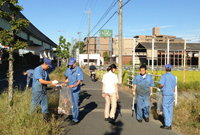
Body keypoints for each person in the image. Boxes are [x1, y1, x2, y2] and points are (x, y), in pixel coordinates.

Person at [64, 58, 83, 125]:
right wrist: (63, 83)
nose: (71, 66)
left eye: (72, 64)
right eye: (70, 64)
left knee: (75, 104)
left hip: (75, 90)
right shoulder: (68, 69)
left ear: (75, 63)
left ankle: (75, 119)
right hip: (69, 89)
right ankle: (71, 116)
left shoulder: (79, 70)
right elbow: (67, 79)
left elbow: (79, 81)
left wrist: (74, 86)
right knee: (69, 103)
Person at [159, 64, 176, 130]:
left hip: (166, 94)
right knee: (170, 108)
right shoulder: (173, 77)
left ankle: (167, 124)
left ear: (165, 69)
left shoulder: (164, 76)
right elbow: (174, 87)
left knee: (165, 108)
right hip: (171, 94)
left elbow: (161, 84)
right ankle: (170, 123)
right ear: (171, 69)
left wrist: (159, 87)